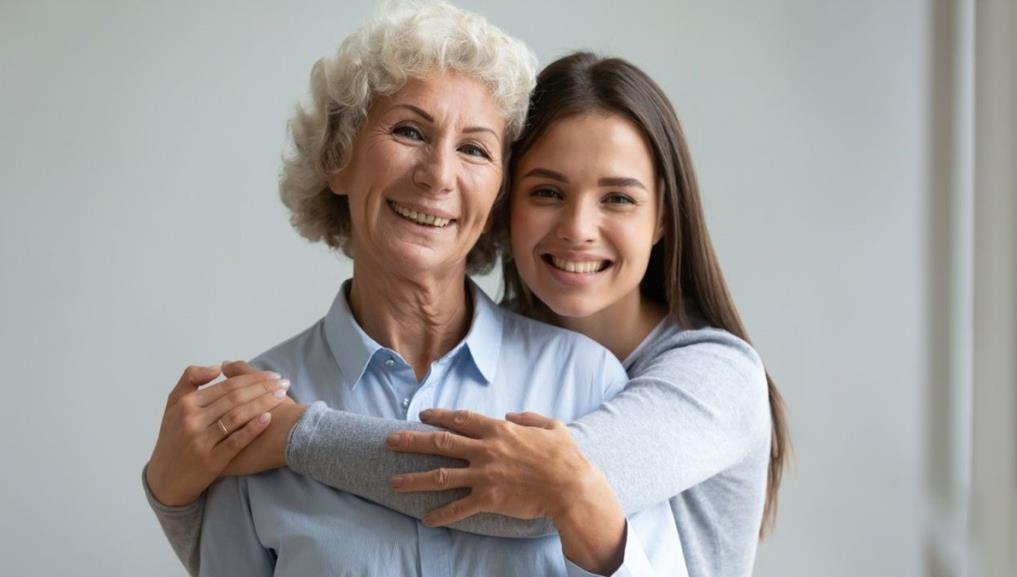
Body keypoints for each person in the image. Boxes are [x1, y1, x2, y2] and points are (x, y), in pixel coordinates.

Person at [144, 2, 687, 576]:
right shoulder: (252, 412)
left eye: (474, 148)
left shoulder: (589, 383)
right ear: (338, 159)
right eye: (409, 130)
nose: (438, 174)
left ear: (499, 191)